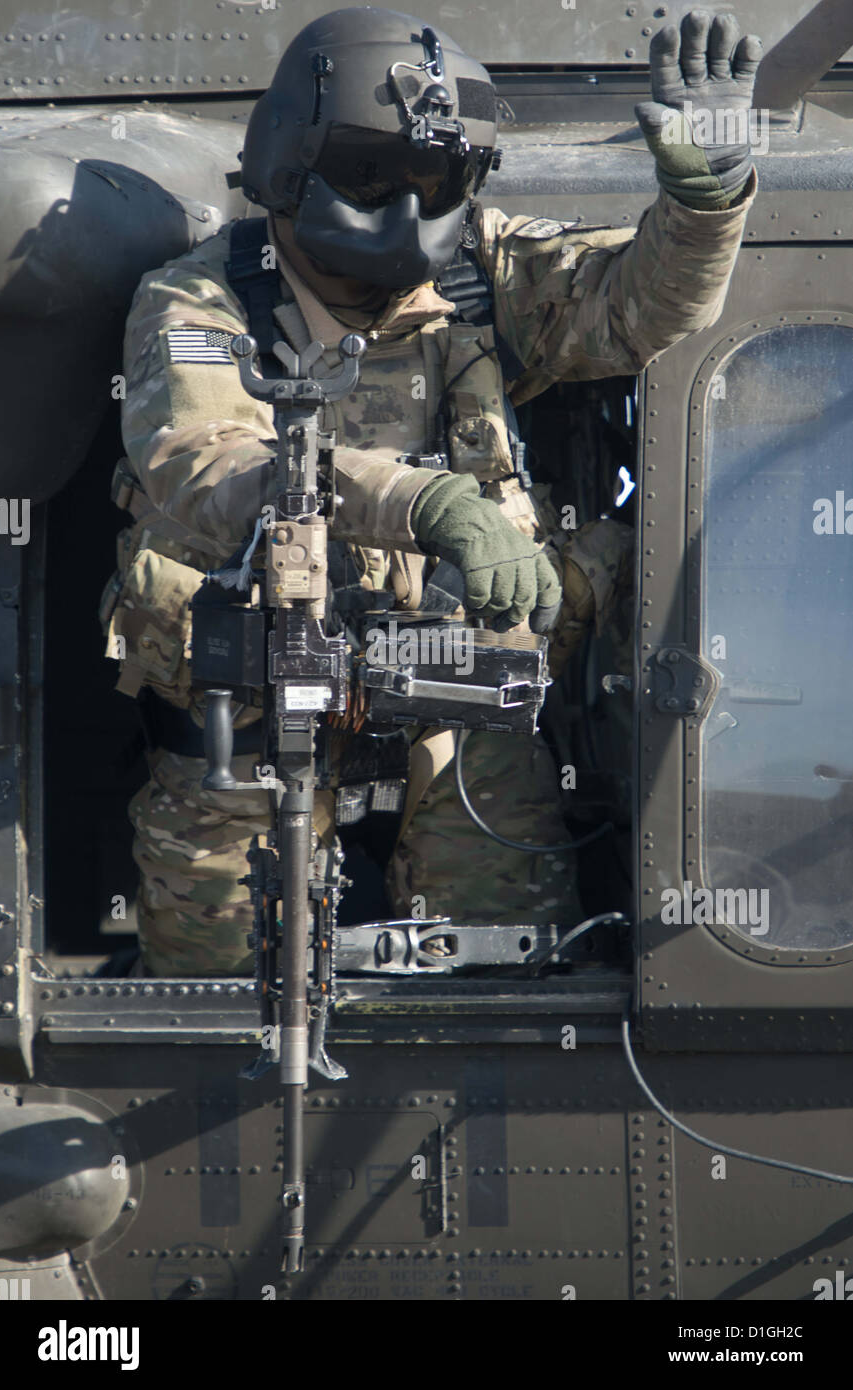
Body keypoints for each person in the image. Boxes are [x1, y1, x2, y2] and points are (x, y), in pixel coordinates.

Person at [100, 5, 761, 975]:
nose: (407, 210)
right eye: (370, 176)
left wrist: (705, 198)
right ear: (290, 168)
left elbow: (634, 309)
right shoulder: (202, 298)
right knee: (212, 989)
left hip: (467, 713)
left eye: (435, 180)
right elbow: (202, 462)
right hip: (246, 720)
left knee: (508, 975)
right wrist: (427, 504)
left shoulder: (482, 274)